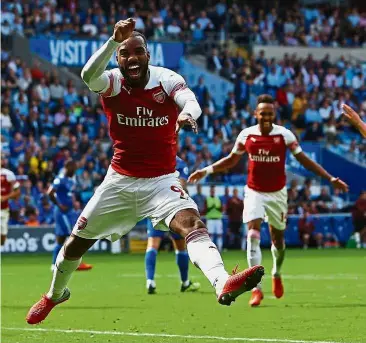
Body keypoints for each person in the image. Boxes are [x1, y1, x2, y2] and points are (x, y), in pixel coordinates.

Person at [26, 19, 264, 325]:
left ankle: (222, 283)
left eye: (138, 52)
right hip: (119, 182)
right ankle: (54, 294)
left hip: (162, 181)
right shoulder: (112, 83)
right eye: (125, 54)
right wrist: (113, 40)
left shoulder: (165, 79)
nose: (132, 58)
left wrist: (187, 115)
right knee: (75, 244)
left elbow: (189, 100)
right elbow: (88, 75)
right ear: (118, 59)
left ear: (148, 56)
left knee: (191, 223)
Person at [189, 94, 348, 307]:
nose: (266, 117)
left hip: (277, 194)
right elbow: (232, 160)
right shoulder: (247, 135)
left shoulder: (284, 135)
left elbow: (305, 160)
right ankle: (256, 289)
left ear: (274, 114)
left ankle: (276, 272)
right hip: (254, 192)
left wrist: (329, 178)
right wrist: (206, 170)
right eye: (262, 113)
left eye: (270, 114)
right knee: (252, 234)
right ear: (256, 113)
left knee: (278, 240)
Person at [145, 156, 200, 294]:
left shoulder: (154, 158)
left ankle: (150, 281)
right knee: (180, 246)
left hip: (155, 205)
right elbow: (181, 185)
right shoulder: (180, 162)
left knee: (152, 245)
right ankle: (185, 282)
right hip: (174, 208)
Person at [48, 160, 93, 272]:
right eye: (73, 167)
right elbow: (50, 192)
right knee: (74, 236)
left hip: (68, 212)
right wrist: (59, 205)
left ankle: (54, 264)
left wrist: (74, 203)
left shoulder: (70, 181)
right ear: (67, 167)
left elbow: (69, 194)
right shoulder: (60, 178)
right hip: (62, 212)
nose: (75, 170)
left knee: (61, 239)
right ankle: (76, 262)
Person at [1, 159, 20, 246]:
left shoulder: (8, 174)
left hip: (3, 209)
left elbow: (17, 192)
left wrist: (5, 197)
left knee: (3, 236)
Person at [205, 185, 224, 251]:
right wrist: (211, 208)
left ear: (214, 191)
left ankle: (220, 248)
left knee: (219, 235)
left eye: (213, 190)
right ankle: (211, 248)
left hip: (218, 219)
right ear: (210, 191)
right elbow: (205, 210)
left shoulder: (218, 199)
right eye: (211, 190)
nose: (212, 191)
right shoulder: (207, 199)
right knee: (210, 235)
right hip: (210, 219)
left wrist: (217, 208)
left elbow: (222, 209)